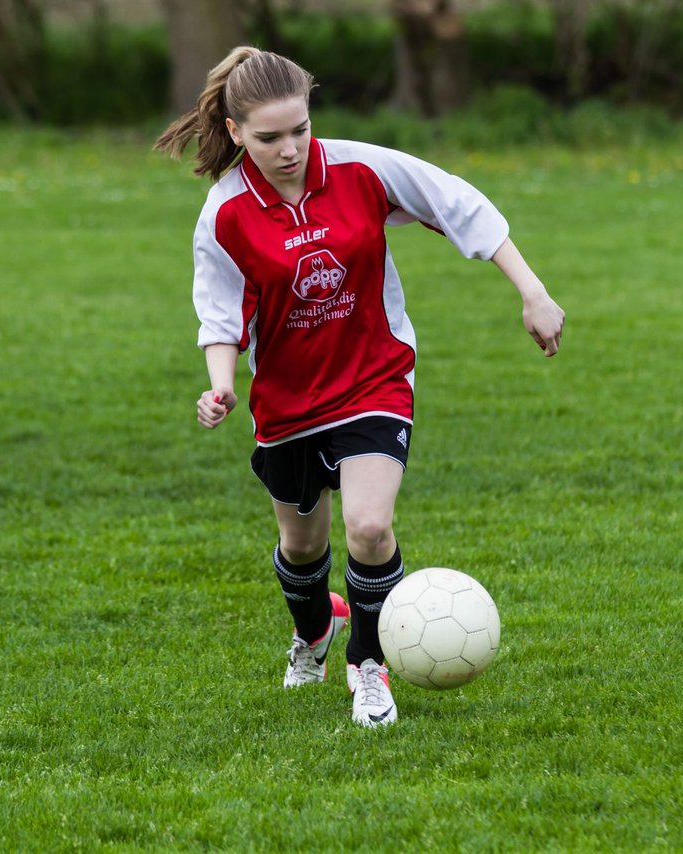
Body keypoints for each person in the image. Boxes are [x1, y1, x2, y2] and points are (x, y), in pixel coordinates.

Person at [155, 47, 564, 728]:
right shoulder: (224, 213)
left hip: (373, 378)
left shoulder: (359, 168)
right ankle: (314, 633)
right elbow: (220, 312)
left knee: (370, 528)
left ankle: (369, 665)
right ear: (234, 132)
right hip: (286, 401)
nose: (290, 150)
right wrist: (220, 387)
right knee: (302, 546)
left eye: (300, 130)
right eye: (269, 138)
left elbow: (459, 204)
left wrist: (534, 291)